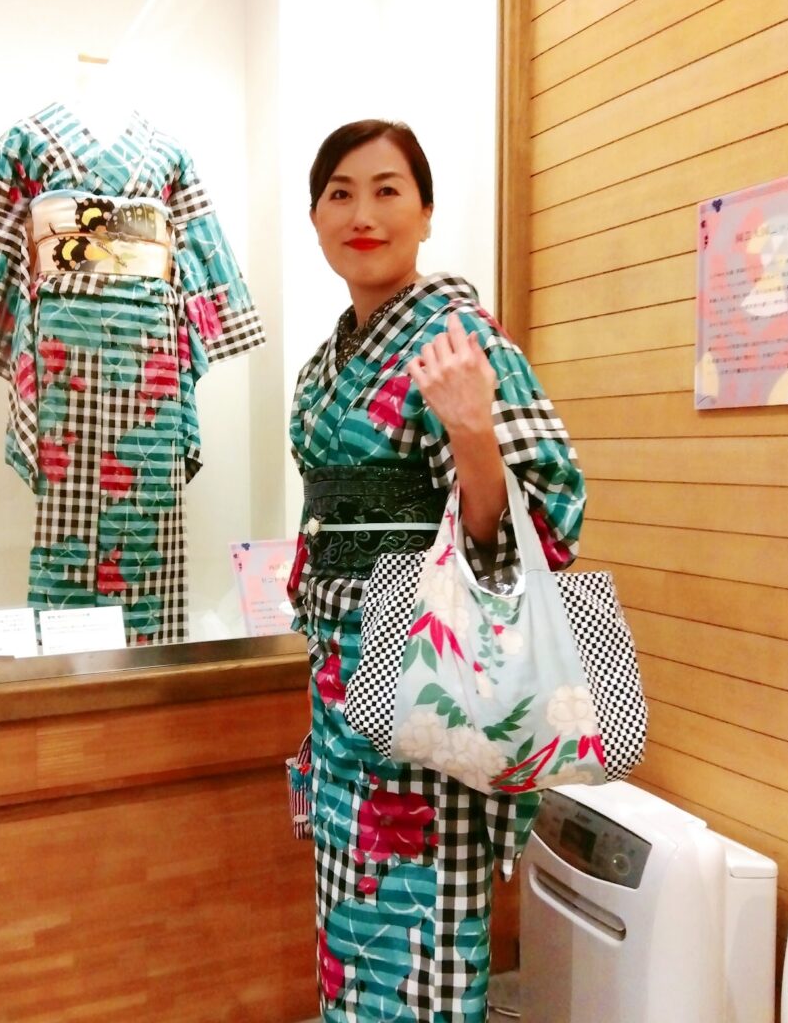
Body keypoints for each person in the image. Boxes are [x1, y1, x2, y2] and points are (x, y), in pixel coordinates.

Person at [287, 119, 586, 1022]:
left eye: (388, 191)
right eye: (341, 193)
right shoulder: (323, 365)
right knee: (349, 940)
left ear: (425, 213)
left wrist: (471, 432)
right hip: (340, 691)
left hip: (428, 679)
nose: (363, 214)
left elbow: (546, 515)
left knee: (422, 941)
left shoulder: (459, 338)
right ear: (315, 217)